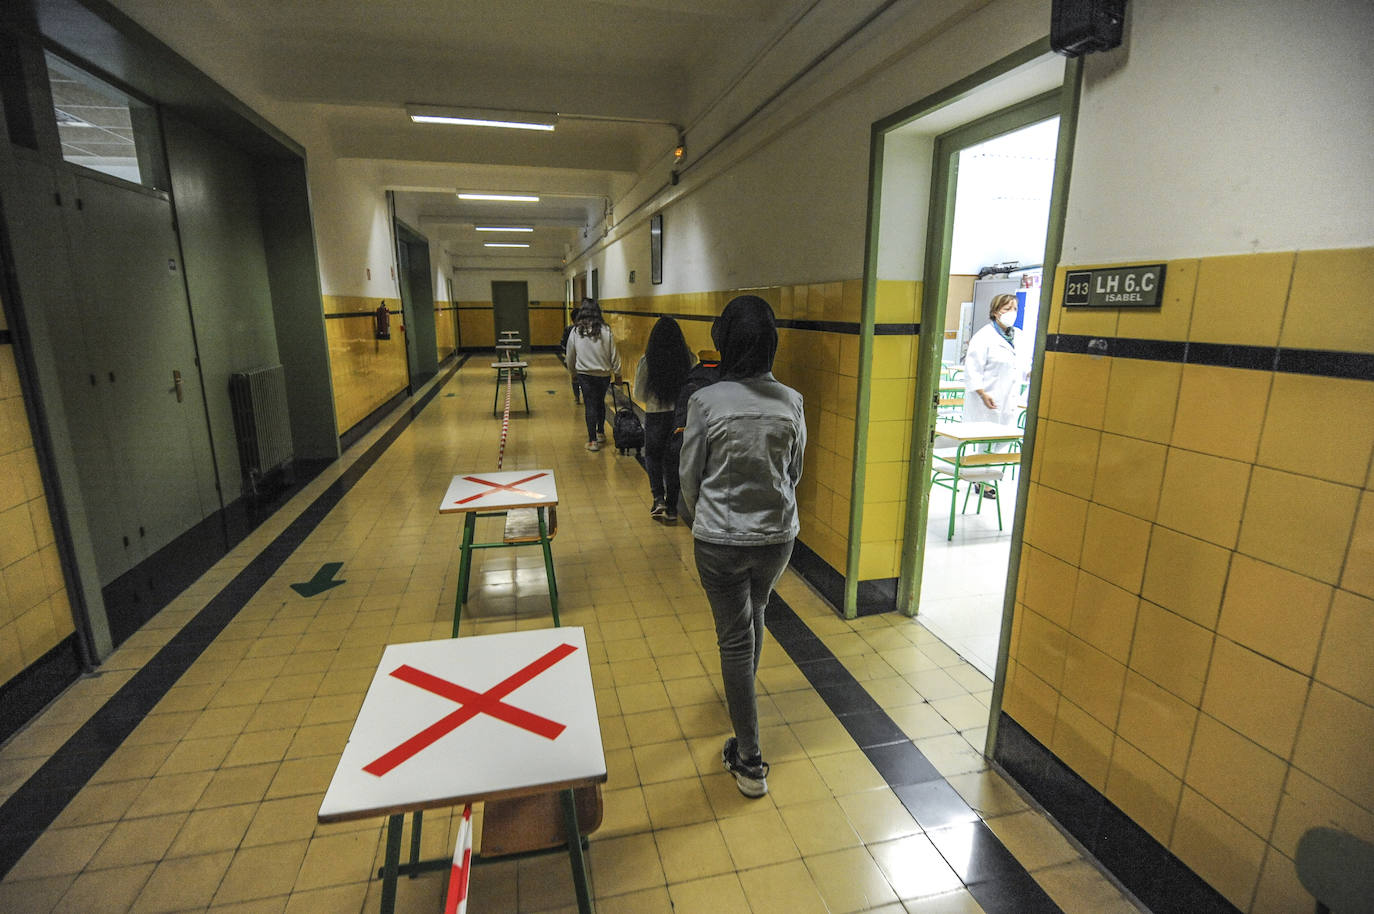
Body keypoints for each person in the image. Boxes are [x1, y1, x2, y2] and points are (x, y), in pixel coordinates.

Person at [680, 295, 806, 798]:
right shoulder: (791, 401)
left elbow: (689, 475)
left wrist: (703, 515)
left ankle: (750, 760)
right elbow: (794, 471)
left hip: (721, 540)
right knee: (757, 611)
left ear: (725, 342)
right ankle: (742, 693)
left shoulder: (707, 401)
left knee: (734, 639)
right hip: (777, 538)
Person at [962, 292, 1025, 496]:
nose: (1011, 312)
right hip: (986, 399)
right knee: (985, 441)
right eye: (1007, 309)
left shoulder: (1019, 336)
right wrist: (982, 393)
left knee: (1004, 439)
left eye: (1014, 309)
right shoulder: (984, 337)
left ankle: (985, 476)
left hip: (1009, 398)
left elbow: (1023, 365)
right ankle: (982, 481)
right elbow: (972, 369)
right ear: (996, 312)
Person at [633, 317, 694, 523]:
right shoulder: (688, 359)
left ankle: (658, 498)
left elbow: (639, 393)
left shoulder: (647, 361)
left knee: (653, 456)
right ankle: (672, 507)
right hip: (680, 416)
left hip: (655, 414)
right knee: (673, 459)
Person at [564, 298, 621, 451]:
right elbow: (614, 353)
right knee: (600, 402)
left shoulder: (577, 331)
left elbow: (570, 354)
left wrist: (572, 371)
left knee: (589, 404)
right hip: (603, 374)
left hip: (585, 374)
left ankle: (592, 441)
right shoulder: (606, 330)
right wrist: (618, 372)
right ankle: (601, 432)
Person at [559, 306, 583, 404]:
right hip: (574, 357)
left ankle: (580, 396)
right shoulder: (570, 330)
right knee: (575, 378)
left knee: (579, 378)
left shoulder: (585, 330)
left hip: (580, 357)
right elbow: (563, 343)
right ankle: (577, 396)